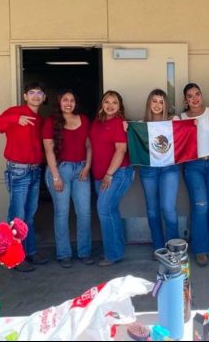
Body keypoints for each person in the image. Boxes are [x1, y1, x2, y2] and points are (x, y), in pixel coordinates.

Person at [0, 82, 49, 272]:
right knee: (17, 216)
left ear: (44, 97)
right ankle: (14, 258)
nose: (35, 96)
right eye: (31, 92)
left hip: (34, 170)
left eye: (39, 93)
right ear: (25, 96)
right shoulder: (16, 111)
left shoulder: (38, 118)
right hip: (18, 170)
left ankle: (30, 251)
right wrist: (16, 119)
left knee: (29, 216)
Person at [42, 90, 94, 268]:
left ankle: (85, 252)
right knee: (62, 213)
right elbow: (48, 150)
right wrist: (55, 176)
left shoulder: (84, 120)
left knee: (84, 212)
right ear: (59, 102)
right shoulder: (50, 122)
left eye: (72, 100)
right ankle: (64, 254)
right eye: (65, 100)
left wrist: (87, 167)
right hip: (59, 169)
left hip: (81, 169)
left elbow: (88, 145)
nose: (68, 103)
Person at [89, 90, 134, 267]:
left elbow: (121, 150)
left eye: (114, 103)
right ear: (102, 104)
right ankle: (117, 250)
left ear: (119, 106)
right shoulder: (96, 123)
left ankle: (112, 254)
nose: (110, 106)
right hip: (99, 174)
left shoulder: (118, 123)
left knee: (104, 209)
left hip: (118, 173)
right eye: (107, 102)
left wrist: (109, 174)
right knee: (110, 210)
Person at [180, 83, 209, 267]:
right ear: (185, 100)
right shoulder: (180, 118)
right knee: (201, 206)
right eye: (190, 96)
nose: (195, 98)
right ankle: (200, 249)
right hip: (193, 166)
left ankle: (203, 241)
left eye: (197, 94)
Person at [138, 89, 181, 255]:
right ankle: (159, 248)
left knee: (168, 208)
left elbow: (185, 135)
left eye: (161, 101)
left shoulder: (173, 120)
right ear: (149, 103)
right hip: (148, 170)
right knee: (152, 210)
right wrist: (126, 127)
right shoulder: (141, 124)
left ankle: (174, 249)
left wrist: (191, 127)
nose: (157, 105)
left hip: (169, 168)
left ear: (165, 104)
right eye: (154, 101)